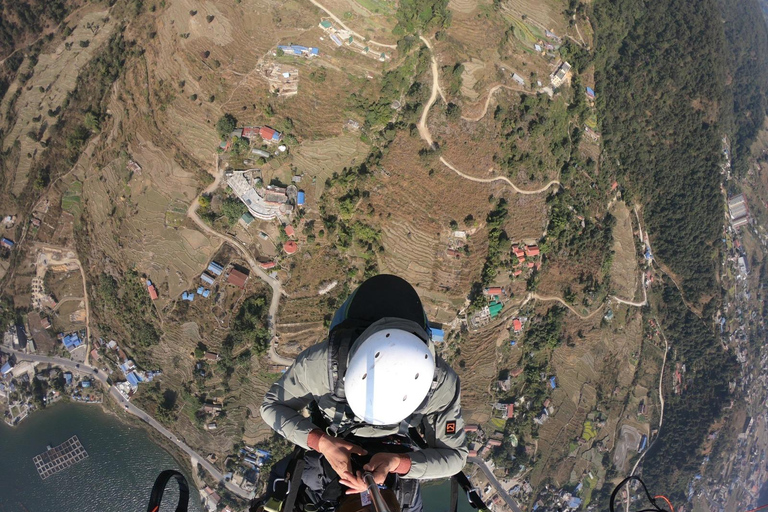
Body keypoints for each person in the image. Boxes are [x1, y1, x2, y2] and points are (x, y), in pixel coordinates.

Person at [260, 274, 467, 512]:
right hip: (347, 441)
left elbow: (455, 457)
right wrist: (323, 443)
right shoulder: (321, 366)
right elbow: (271, 406)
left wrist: (396, 462)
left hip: (387, 453)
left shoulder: (439, 385)